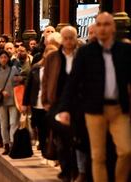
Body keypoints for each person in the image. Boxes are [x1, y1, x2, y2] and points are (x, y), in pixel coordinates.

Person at [58, 12, 131, 182]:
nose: (103, 28)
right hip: (94, 109)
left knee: (126, 150)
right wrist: (64, 108)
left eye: (107, 24)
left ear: (113, 27)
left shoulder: (124, 51)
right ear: (95, 28)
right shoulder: (85, 53)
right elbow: (72, 82)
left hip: (119, 108)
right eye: (99, 24)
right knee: (98, 155)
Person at [42, 26, 79, 181]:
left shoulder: (81, 55)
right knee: (62, 139)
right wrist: (45, 100)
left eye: (71, 37)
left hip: (78, 103)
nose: (69, 41)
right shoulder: (53, 58)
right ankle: (66, 169)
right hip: (57, 102)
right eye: (66, 38)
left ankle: (76, 169)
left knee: (76, 138)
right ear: (61, 40)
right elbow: (46, 80)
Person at [0, 50, 20, 155]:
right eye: (1, 57)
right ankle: (6, 144)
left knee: (13, 123)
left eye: (5, 57)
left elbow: (18, 83)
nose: (3, 59)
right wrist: (0, 91)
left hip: (13, 100)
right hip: (1, 101)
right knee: (4, 124)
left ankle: (13, 144)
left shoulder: (14, 69)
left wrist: (20, 79)